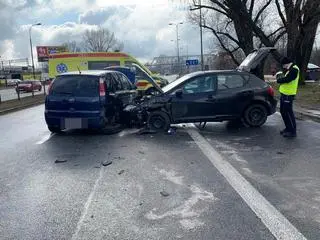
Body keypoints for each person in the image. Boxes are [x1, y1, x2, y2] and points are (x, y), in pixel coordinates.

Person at [276, 57, 300, 138]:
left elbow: (288, 79)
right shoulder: (290, 69)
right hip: (284, 94)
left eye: (283, 65)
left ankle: (292, 131)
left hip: (288, 95)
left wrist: (279, 80)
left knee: (288, 113)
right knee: (283, 112)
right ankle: (288, 128)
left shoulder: (294, 69)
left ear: (286, 63)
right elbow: (286, 78)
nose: (283, 67)